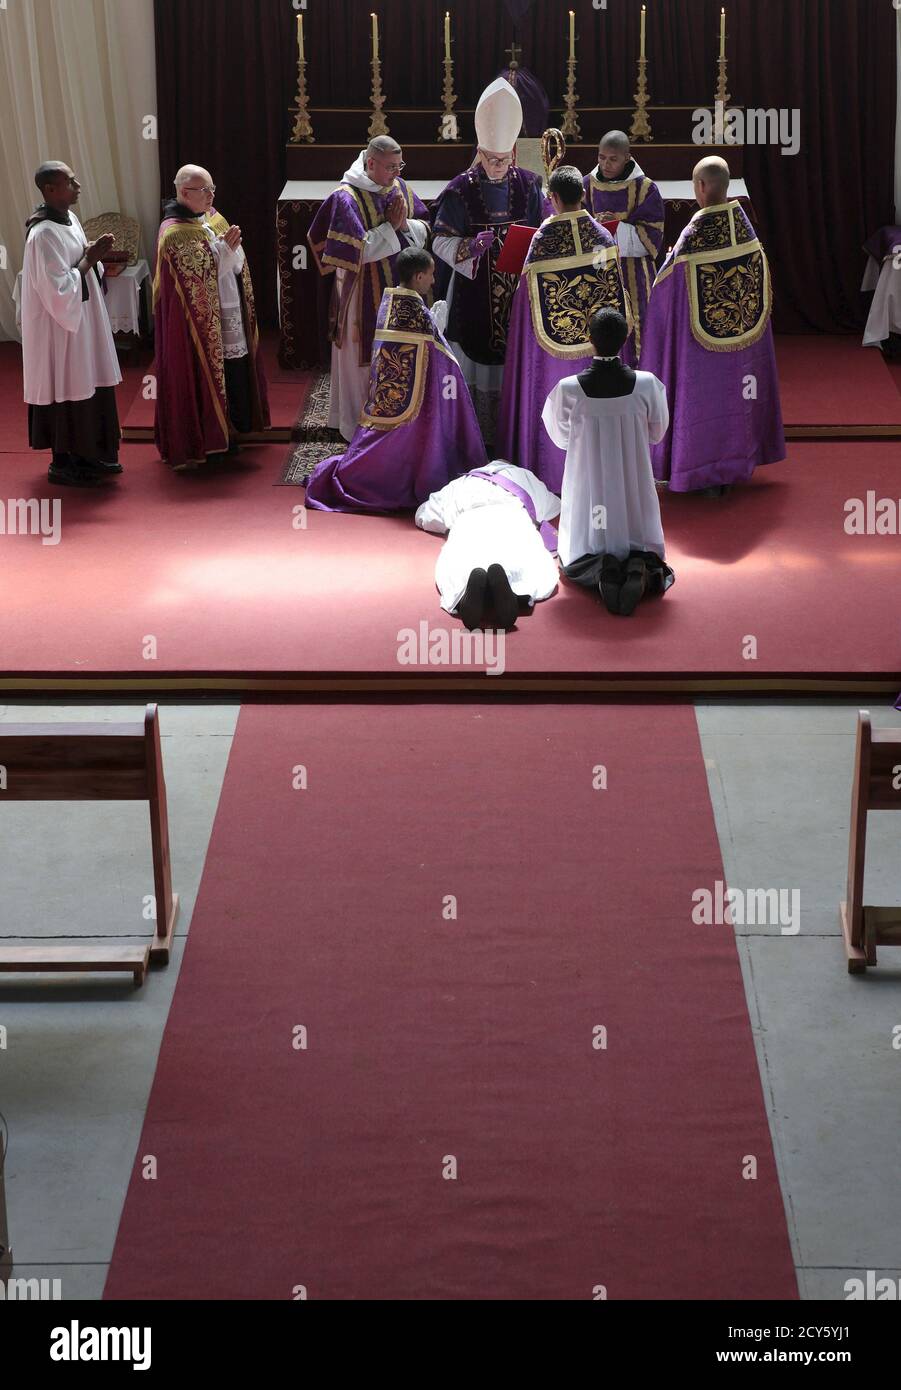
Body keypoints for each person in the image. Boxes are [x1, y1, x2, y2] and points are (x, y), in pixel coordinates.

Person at [639, 156, 785, 496]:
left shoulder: (694, 234)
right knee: (738, 402)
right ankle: (738, 464)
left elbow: (666, 290)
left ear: (701, 187)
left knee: (704, 406)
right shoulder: (745, 229)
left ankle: (701, 471)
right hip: (742, 347)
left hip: (700, 350)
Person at [304, 248, 487, 513]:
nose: (434, 281)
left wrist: (433, 327)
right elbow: (442, 360)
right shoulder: (415, 310)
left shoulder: (390, 301)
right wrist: (438, 330)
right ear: (418, 276)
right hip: (404, 404)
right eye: (431, 276)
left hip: (384, 397)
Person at [496, 164, 628, 494]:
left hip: (550, 355)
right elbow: (617, 293)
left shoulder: (543, 240)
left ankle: (549, 473)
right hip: (597, 350)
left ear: (552, 198)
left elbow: (525, 302)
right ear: (583, 195)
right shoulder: (602, 236)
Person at [432, 78, 545, 447]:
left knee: (515, 358)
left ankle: (514, 438)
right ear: (479, 152)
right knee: (478, 361)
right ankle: (476, 440)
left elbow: (543, 231)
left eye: (504, 159)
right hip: (473, 290)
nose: (497, 166)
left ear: (513, 151)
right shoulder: (459, 189)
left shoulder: (529, 185)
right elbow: (440, 240)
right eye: (490, 159)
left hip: (517, 290)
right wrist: (468, 248)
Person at [542, 308, 673, 617]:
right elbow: (657, 432)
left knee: (581, 551)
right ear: (626, 337)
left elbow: (559, 437)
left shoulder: (569, 389)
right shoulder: (647, 384)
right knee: (636, 517)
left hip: (588, 482)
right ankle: (638, 563)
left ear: (590, 340)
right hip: (635, 478)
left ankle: (602, 569)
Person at [309, 137, 430, 441]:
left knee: (397, 357)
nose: (396, 172)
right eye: (390, 166)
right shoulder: (346, 196)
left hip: (399, 290)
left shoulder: (399, 187)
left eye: (399, 165)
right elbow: (353, 253)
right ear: (371, 163)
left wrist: (404, 227)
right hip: (360, 292)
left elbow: (425, 225)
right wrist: (391, 227)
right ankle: (356, 426)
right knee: (359, 363)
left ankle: (396, 421)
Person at [154, 165, 270, 471]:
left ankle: (230, 431)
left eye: (212, 188)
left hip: (228, 312)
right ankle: (204, 441)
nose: (211, 196)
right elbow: (195, 282)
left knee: (233, 372)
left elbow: (233, 261)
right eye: (204, 190)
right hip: (198, 327)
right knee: (203, 375)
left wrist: (228, 251)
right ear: (183, 193)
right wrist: (222, 252)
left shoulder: (213, 217)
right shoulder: (173, 233)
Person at [20, 162, 122, 488]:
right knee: (67, 385)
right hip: (60, 330)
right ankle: (63, 462)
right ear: (50, 190)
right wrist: (91, 259)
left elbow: (79, 263)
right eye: (70, 182)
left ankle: (90, 454)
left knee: (89, 380)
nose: (78, 186)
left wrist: (93, 256)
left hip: (83, 320)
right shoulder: (42, 234)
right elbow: (58, 291)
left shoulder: (70, 219)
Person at [415, 461, 560, 630]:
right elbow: (553, 506)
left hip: (470, 521)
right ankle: (516, 596)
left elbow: (425, 515)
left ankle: (464, 598)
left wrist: (442, 522)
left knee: (460, 564)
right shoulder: (523, 476)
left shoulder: (460, 484)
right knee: (526, 560)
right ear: (508, 465)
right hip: (513, 517)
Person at [583, 131, 665, 366]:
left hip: (634, 274)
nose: (605, 164)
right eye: (601, 157)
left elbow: (652, 236)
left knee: (636, 330)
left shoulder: (645, 189)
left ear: (627, 158)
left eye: (612, 159)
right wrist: (594, 224)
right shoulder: (587, 185)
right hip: (597, 271)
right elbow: (578, 222)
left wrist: (615, 229)